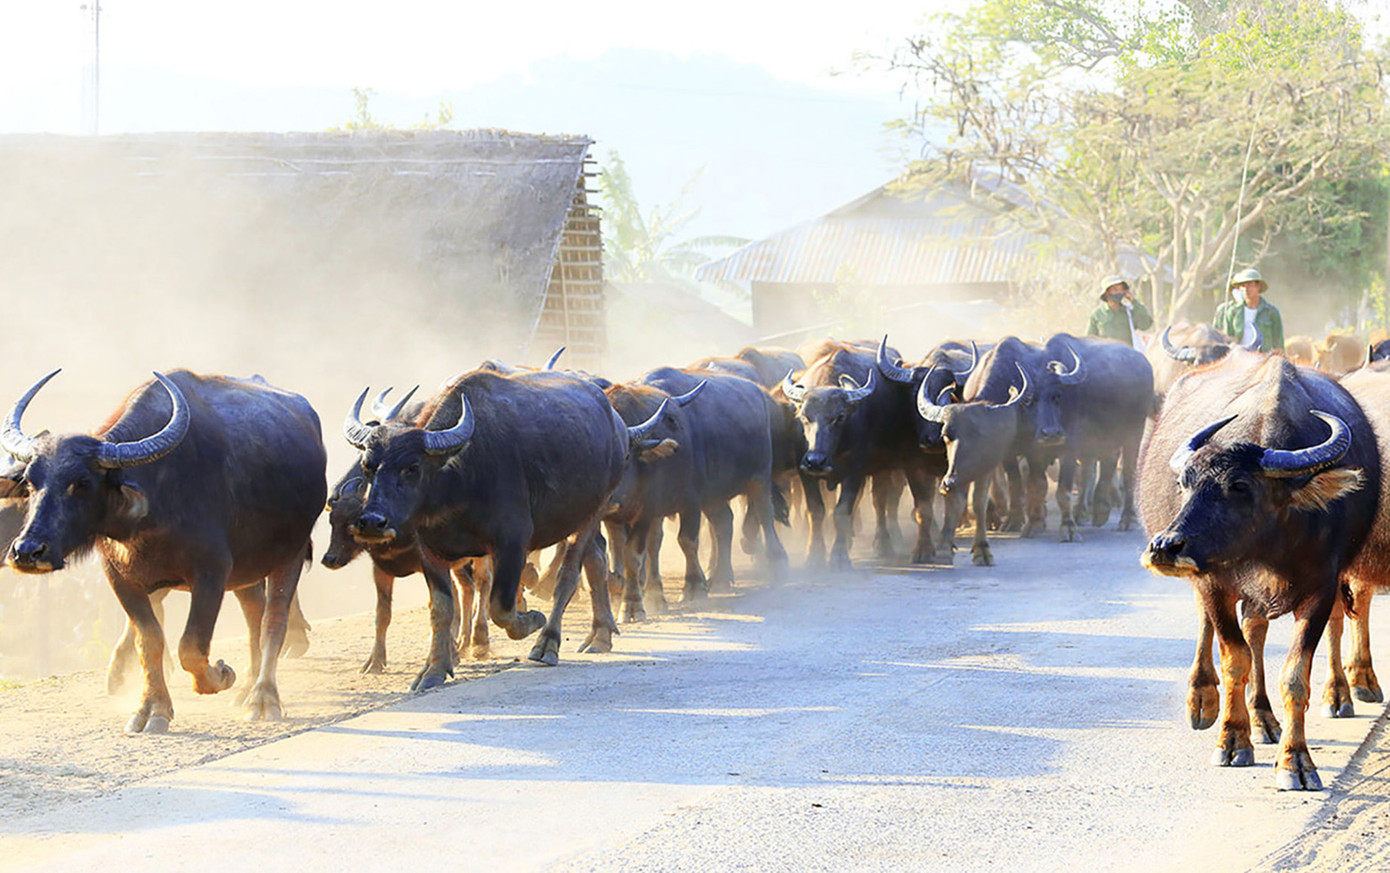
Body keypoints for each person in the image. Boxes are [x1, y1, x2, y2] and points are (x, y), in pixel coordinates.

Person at [1213, 267, 1284, 353]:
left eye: (1250, 285)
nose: (1246, 289)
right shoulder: (1233, 312)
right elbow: (1228, 340)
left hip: (1263, 358)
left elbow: (1279, 343)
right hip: (1239, 356)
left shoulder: (1271, 312)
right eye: (1243, 286)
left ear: (1258, 286)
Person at [1085, 275, 1153, 347]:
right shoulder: (1097, 314)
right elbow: (1089, 340)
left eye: (1121, 289)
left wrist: (1134, 301)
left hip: (1126, 352)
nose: (1119, 292)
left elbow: (1146, 325)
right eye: (1115, 289)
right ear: (1106, 293)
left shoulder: (1129, 312)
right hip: (1105, 353)